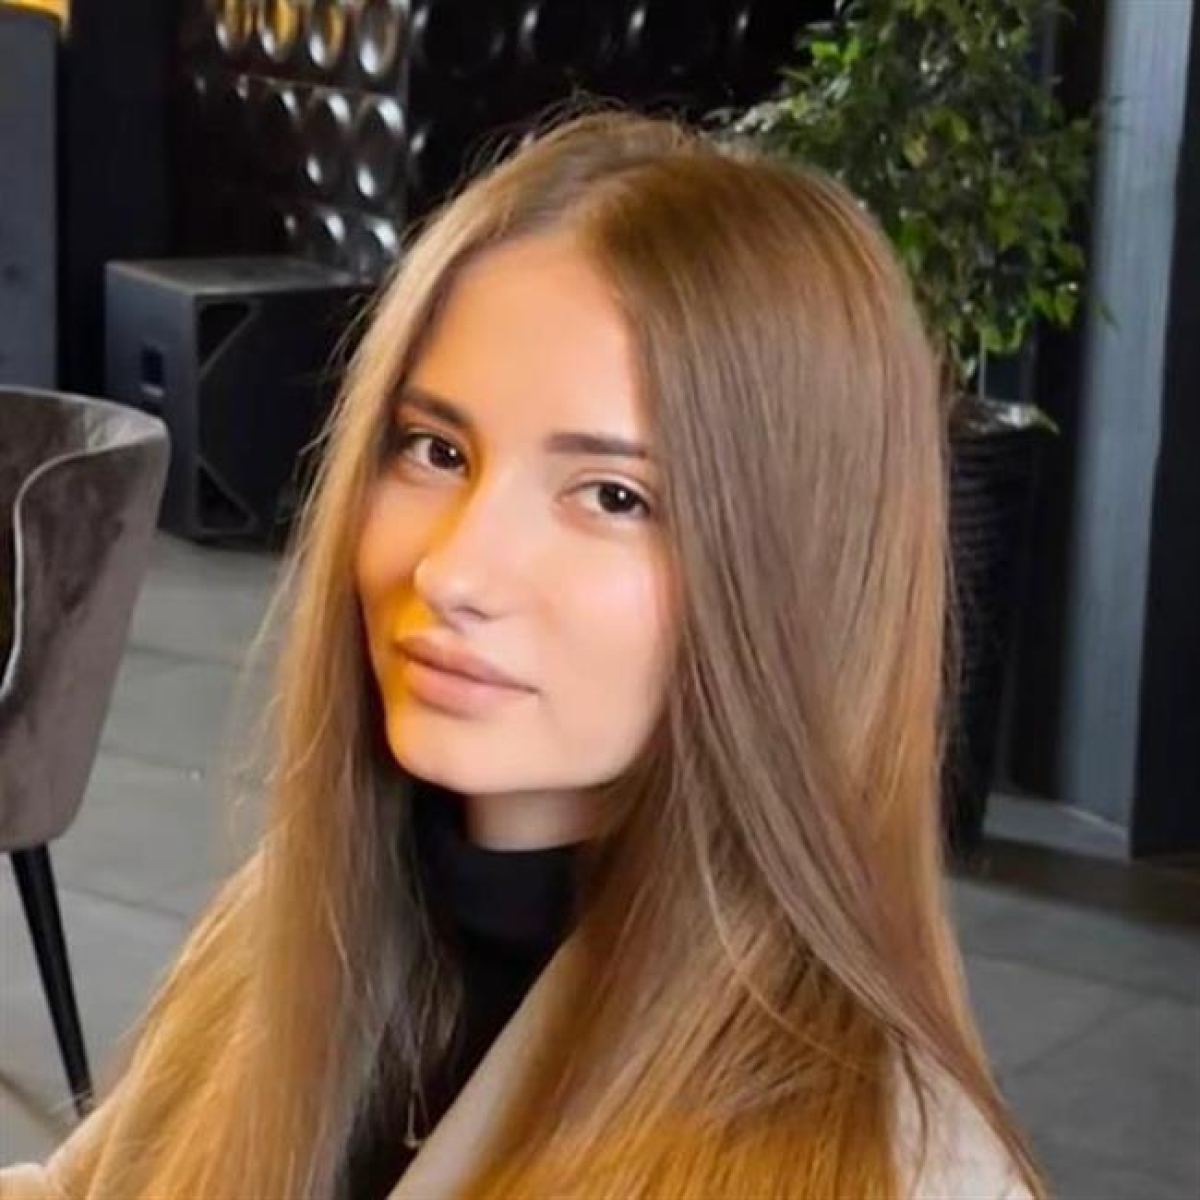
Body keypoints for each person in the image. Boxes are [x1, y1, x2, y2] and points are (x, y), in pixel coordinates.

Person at [0, 109, 1045, 1199]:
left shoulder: (888, 1171)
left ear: (795, 580)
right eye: (435, 450)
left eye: (613, 496)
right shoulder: (291, 930)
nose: (456, 571)